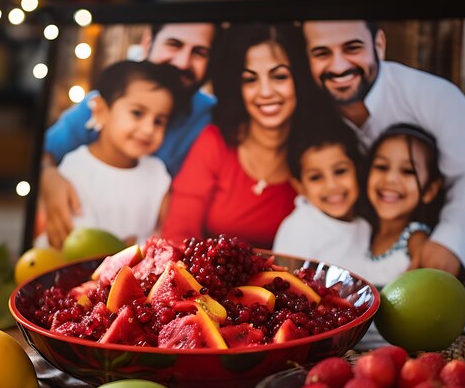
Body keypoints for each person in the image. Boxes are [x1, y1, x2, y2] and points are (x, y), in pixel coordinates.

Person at [302, 19, 465, 277]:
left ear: (379, 45)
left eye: (353, 48)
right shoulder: (305, 107)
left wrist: (449, 240)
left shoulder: (437, 97)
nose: (338, 66)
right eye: (321, 53)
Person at [40, 22, 217, 248]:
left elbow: (166, 228)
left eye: (199, 53)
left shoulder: (212, 116)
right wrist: (48, 176)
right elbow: (43, 153)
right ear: (148, 42)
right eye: (174, 44)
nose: (182, 61)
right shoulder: (101, 102)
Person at [161, 22, 335, 249]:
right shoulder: (216, 141)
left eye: (279, 77)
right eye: (250, 79)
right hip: (209, 281)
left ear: (300, 79)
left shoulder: (320, 151)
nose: (265, 92)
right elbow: (178, 234)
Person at [35, 60, 185, 247]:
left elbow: (166, 235)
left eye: (159, 121)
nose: (148, 129)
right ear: (101, 110)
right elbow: (74, 241)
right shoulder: (75, 168)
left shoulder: (157, 173)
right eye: (137, 113)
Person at [273, 113, 372, 274]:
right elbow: (286, 283)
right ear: (300, 186)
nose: (331, 186)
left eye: (340, 171)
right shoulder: (298, 228)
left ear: (358, 171)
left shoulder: (366, 225)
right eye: (316, 177)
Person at [361, 123, 445, 285]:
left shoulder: (415, 238)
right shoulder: (364, 232)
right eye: (381, 166)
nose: (390, 179)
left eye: (408, 171)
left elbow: (428, 285)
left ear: (430, 190)